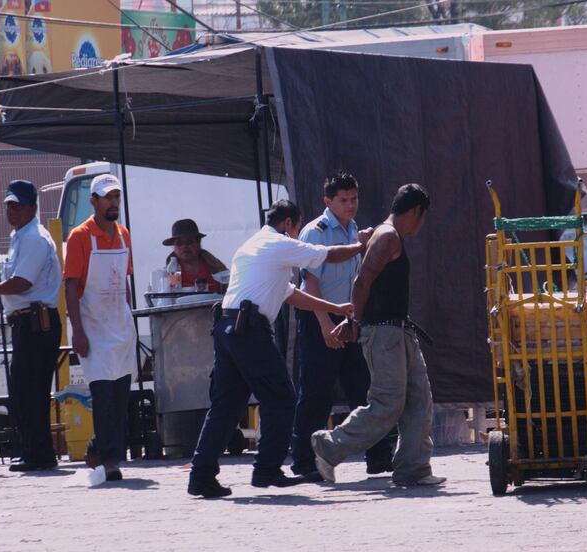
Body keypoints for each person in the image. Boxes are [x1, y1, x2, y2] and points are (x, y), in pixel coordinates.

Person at [187, 199, 364, 498]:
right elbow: (329, 255)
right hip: (249, 330)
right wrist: (361, 245)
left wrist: (335, 307)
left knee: (225, 406)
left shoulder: (254, 246)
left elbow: (292, 295)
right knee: (281, 398)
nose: (296, 236)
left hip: (228, 328)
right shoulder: (279, 243)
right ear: (288, 223)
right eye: (296, 229)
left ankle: (201, 476)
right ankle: (267, 469)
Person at [312, 184, 446, 487]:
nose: (420, 225)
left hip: (399, 331)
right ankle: (329, 446)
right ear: (416, 211)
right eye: (422, 217)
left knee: (419, 400)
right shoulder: (387, 237)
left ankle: (413, 468)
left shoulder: (388, 235)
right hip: (384, 334)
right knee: (387, 404)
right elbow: (362, 282)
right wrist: (354, 321)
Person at [290, 171, 395, 480]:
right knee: (316, 392)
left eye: (354, 199)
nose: (351, 205)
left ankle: (378, 456)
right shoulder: (316, 232)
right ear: (328, 202)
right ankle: (305, 461)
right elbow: (310, 283)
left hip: (350, 316)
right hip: (319, 316)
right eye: (344, 200)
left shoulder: (354, 231)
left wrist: (355, 319)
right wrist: (325, 324)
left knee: (364, 389)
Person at [0, 180, 62, 473]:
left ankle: (39, 453)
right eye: (9, 206)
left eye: (19, 206)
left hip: (37, 321)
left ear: (33, 208)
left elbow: (23, 282)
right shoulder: (21, 237)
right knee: (25, 389)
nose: (13, 211)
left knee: (30, 389)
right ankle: (34, 450)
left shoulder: (34, 238)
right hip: (26, 321)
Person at [63, 174, 138, 482]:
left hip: (120, 326)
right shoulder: (80, 236)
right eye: (107, 197)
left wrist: (129, 317)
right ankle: (110, 461)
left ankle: (99, 448)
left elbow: (124, 281)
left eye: (116, 197)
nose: (113, 202)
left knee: (120, 398)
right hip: (93, 327)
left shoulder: (123, 235)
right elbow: (70, 286)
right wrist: (78, 331)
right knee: (103, 396)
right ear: (93, 201)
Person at [163, 218, 228, 293]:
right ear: (174, 247)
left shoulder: (215, 266)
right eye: (179, 243)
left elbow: (230, 289)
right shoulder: (172, 271)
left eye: (189, 242)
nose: (184, 246)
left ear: (199, 242)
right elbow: (172, 293)